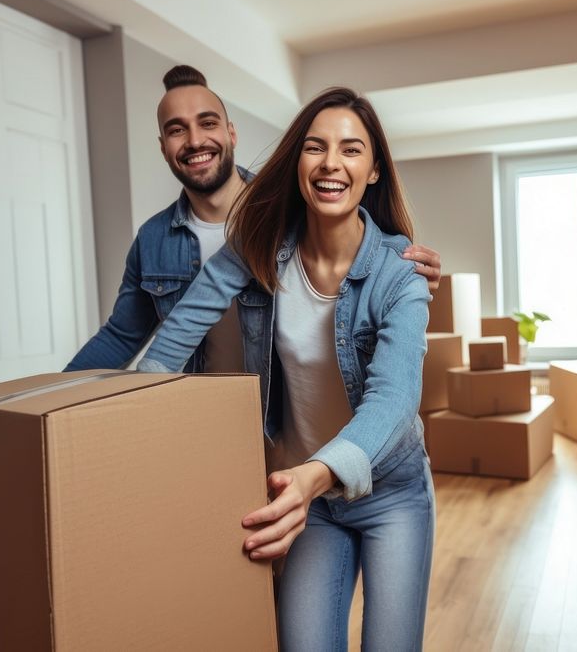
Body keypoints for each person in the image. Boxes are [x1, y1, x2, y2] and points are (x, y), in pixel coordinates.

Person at [137, 87, 435, 651]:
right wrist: (120, 415)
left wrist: (314, 475)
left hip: (390, 493)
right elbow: (180, 330)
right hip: (307, 498)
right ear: (298, 161)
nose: (330, 163)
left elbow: (394, 401)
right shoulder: (259, 245)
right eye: (315, 148)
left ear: (373, 171)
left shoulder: (400, 275)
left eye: (351, 150)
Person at [65, 65, 441, 372]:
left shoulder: (294, 211)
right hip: (199, 416)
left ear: (231, 133)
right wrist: (45, 397)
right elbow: (121, 336)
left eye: (208, 123)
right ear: (163, 147)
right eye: (177, 130)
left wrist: (404, 268)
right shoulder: (153, 240)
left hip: (273, 418)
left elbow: (360, 246)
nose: (195, 141)